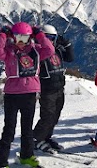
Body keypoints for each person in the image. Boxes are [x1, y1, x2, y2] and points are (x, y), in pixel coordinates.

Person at [0, 22, 54, 168]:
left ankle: (27, 156)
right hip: (12, 94)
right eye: (18, 37)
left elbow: (50, 50)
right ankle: (0, 162)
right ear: (12, 37)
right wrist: (2, 35)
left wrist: (40, 35)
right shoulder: (9, 51)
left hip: (29, 94)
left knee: (27, 129)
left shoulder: (36, 50)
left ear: (30, 38)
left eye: (24, 38)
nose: (21, 42)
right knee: (9, 130)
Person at [33, 24, 74, 153]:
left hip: (59, 88)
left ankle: (46, 137)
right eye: (47, 37)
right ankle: (37, 139)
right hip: (47, 89)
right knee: (47, 116)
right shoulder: (38, 51)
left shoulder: (57, 49)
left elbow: (70, 58)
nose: (49, 40)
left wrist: (66, 44)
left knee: (55, 115)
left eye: (52, 37)